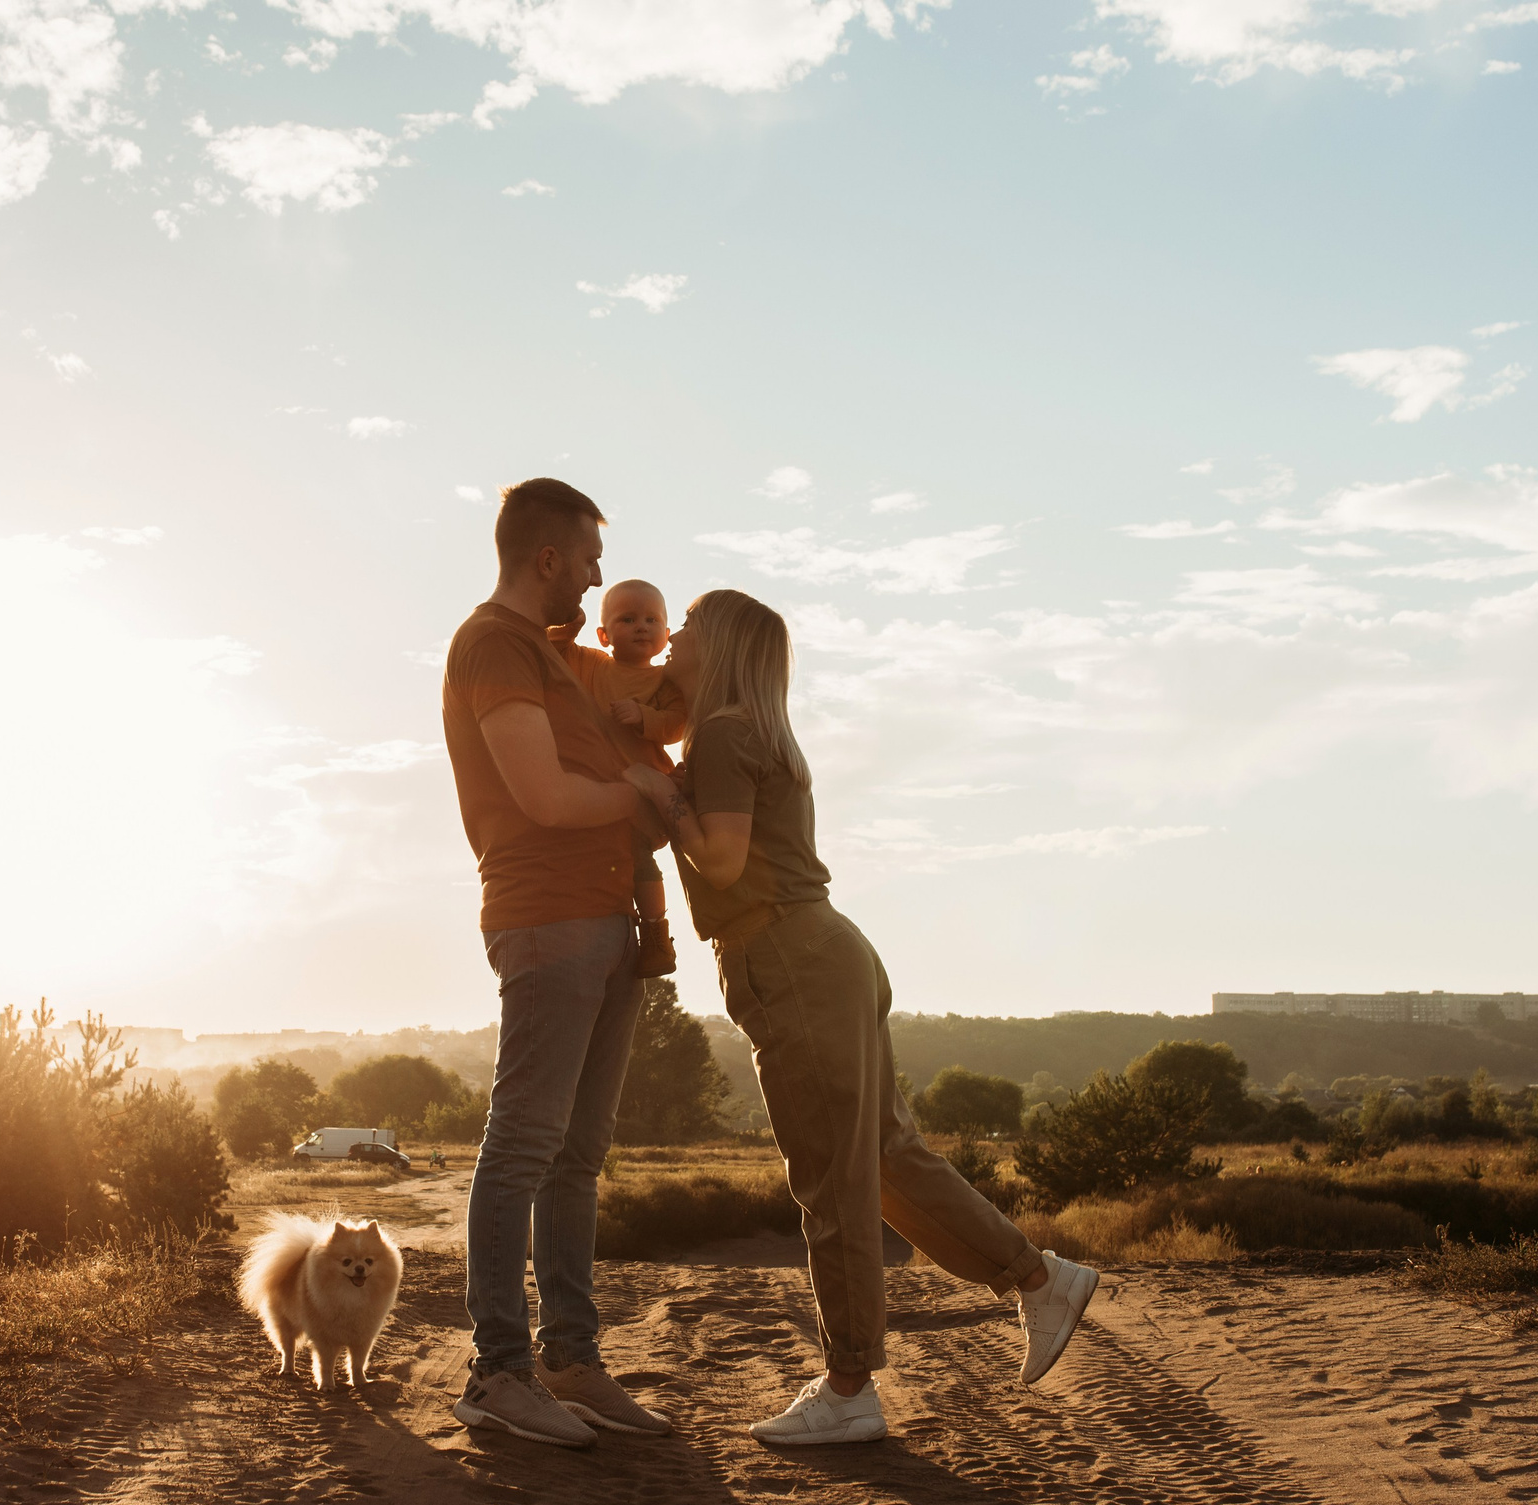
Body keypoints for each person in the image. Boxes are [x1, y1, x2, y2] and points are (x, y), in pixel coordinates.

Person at [628, 588, 1100, 1447]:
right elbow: (648, 711)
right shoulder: (750, 728)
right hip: (826, 951)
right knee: (881, 1158)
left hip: (787, 960)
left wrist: (663, 798)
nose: (674, 637)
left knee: (833, 1179)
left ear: (723, 643)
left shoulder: (726, 733)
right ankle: (1040, 1279)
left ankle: (850, 1386)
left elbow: (724, 862)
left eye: (690, 624)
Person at [439, 477, 676, 1449]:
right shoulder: (493, 643)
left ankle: (569, 1358)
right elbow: (539, 795)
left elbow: (644, 710)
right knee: (526, 1142)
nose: (593, 578)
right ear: (547, 559)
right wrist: (632, 790)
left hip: (603, 922)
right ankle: (499, 1370)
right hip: (548, 922)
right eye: (587, 562)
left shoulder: (548, 658)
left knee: (575, 1155)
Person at [547, 578, 688, 978]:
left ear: (665, 634)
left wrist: (645, 717)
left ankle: (656, 931)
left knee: (638, 857)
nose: (641, 626)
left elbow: (679, 725)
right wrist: (568, 624)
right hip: (596, 790)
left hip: (645, 791)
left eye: (651, 620)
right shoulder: (592, 663)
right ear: (604, 634)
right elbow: (549, 650)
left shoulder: (664, 681)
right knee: (595, 854)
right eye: (627, 619)